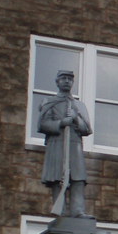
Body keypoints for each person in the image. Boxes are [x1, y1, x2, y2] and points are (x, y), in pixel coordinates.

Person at [38, 70, 93, 218]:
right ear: (57, 82)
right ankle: (60, 211)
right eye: (63, 78)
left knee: (78, 177)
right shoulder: (48, 102)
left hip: (74, 145)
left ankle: (78, 210)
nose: (67, 81)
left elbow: (87, 129)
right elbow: (42, 125)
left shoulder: (79, 105)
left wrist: (76, 119)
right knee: (58, 178)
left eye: (70, 79)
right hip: (57, 143)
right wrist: (61, 123)